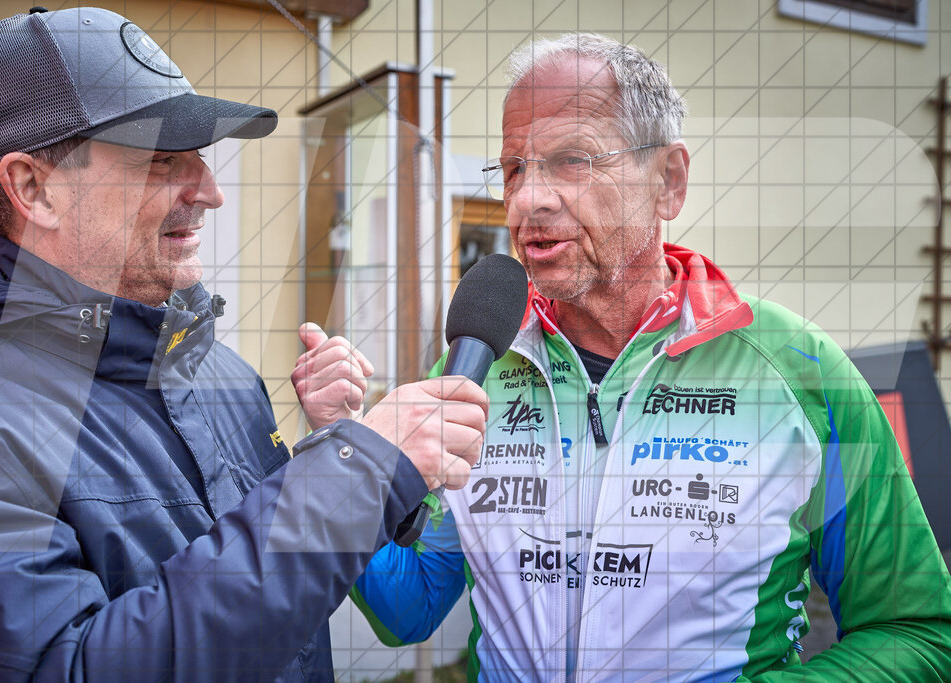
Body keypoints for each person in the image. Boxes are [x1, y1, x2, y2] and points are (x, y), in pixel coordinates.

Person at [347, 33, 951, 680]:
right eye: (515, 167)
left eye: (571, 159)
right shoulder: (476, 369)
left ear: (668, 182)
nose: (526, 200)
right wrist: (343, 456)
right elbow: (406, 607)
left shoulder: (801, 372)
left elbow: (914, 631)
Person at [0, 7, 488, 680]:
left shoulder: (223, 375)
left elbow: (273, 599)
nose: (211, 191)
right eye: (162, 158)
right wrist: (356, 472)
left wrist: (342, 448)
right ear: (33, 188)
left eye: (201, 156)